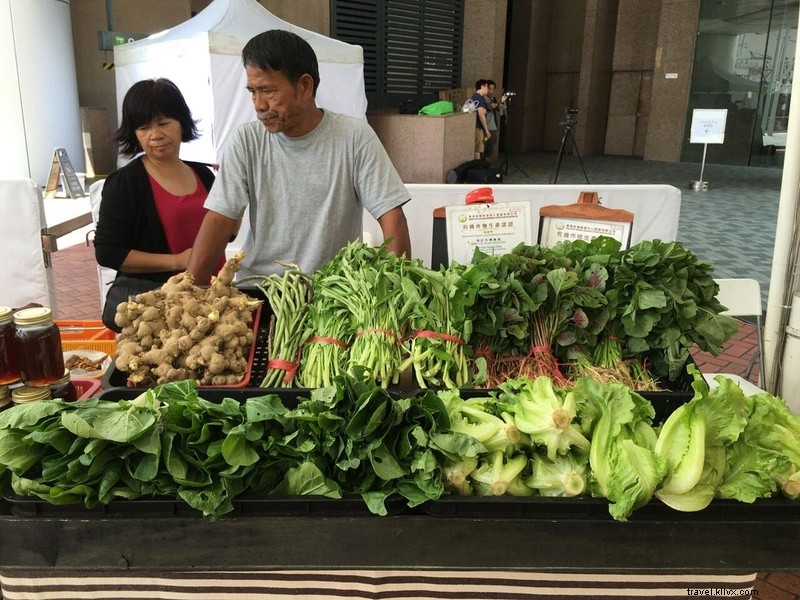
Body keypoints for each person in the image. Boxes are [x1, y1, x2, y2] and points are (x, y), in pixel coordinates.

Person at [186, 29, 411, 283]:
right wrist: (186, 292)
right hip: (259, 291)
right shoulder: (246, 141)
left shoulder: (354, 137)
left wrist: (396, 295)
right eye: (252, 92)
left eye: (267, 90)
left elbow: (392, 217)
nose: (259, 104)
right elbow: (220, 219)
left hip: (331, 296)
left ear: (304, 86)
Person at [94, 78, 224, 317]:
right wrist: (177, 261)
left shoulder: (204, 174)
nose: (155, 135)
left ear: (181, 123)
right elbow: (108, 252)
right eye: (143, 128)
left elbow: (223, 232)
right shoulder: (125, 183)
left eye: (164, 123)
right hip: (160, 312)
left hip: (215, 301)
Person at [483, 80, 506, 160]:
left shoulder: (493, 99)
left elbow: (500, 109)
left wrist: (502, 102)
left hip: (493, 126)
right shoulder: (482, 98)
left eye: (493, 89)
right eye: (489, 89)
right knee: (483, 146)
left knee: (491, 146)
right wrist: (499, 103)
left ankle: (486, 163)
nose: (491, 91)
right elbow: (490, 107)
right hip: (485, 126)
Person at [470, 79, 491, 159]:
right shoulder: (479, 98)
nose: (488, 89)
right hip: (478, 127)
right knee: (478, 149)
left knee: (476, 148)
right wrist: (486, 130)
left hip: (475, 126)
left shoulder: (474, 97)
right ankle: (477, 166)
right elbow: (481, 114)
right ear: (482, 86)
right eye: (487, 87)